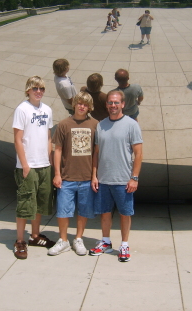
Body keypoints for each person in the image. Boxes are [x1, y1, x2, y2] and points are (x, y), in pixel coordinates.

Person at [90, 90, 143, 262]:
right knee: (104, 212)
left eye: (116, 102)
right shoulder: (101, 125)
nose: (113, 105)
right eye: (110, 102)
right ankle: (105, 242)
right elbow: (96, 153)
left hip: (123, 180)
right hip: (104, 179)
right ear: (106, 105)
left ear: (123, 104)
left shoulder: (131, 125)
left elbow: (138, 153)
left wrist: (134, 177)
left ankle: (124, 245)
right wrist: (94, 175)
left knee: (125, 213)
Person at [48, 91, 98, 256]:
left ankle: (78, 238)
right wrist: (57, 173)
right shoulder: (64, 124)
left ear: (89, 107)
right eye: (79, 103)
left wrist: (95, 176)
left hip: (86, 177)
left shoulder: (95, 125)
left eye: (85, 104)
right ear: (74, 104)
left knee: (84, 211)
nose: (82, 106)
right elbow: (58, 150)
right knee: (63, 211)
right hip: (67, 177)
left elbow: (97, 152)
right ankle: (63, 240)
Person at [12, 76, 55, 260]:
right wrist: (25, 165)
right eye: (35, 88)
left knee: (39, 203)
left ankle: (35, 235)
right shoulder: (22, 109)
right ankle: (20, 240)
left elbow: (48, 137)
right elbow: (18, 139)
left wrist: (49, 160)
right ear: (28, 90)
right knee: (25, 203)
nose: (39, 92)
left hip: (44, 164)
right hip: (28, 165)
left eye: (42, 89)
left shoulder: (47, 109)